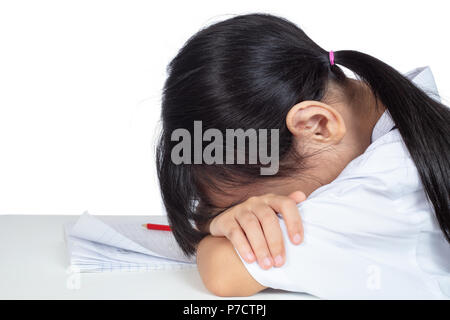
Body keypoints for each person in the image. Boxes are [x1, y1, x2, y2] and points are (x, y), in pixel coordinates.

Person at [156, 13, 450, 299]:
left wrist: (215, 235)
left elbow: (225, 272)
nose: (250, 221)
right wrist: (216, 221)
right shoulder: (413, 115)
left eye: (263, 209)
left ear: (317, 125)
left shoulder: (379, 190)